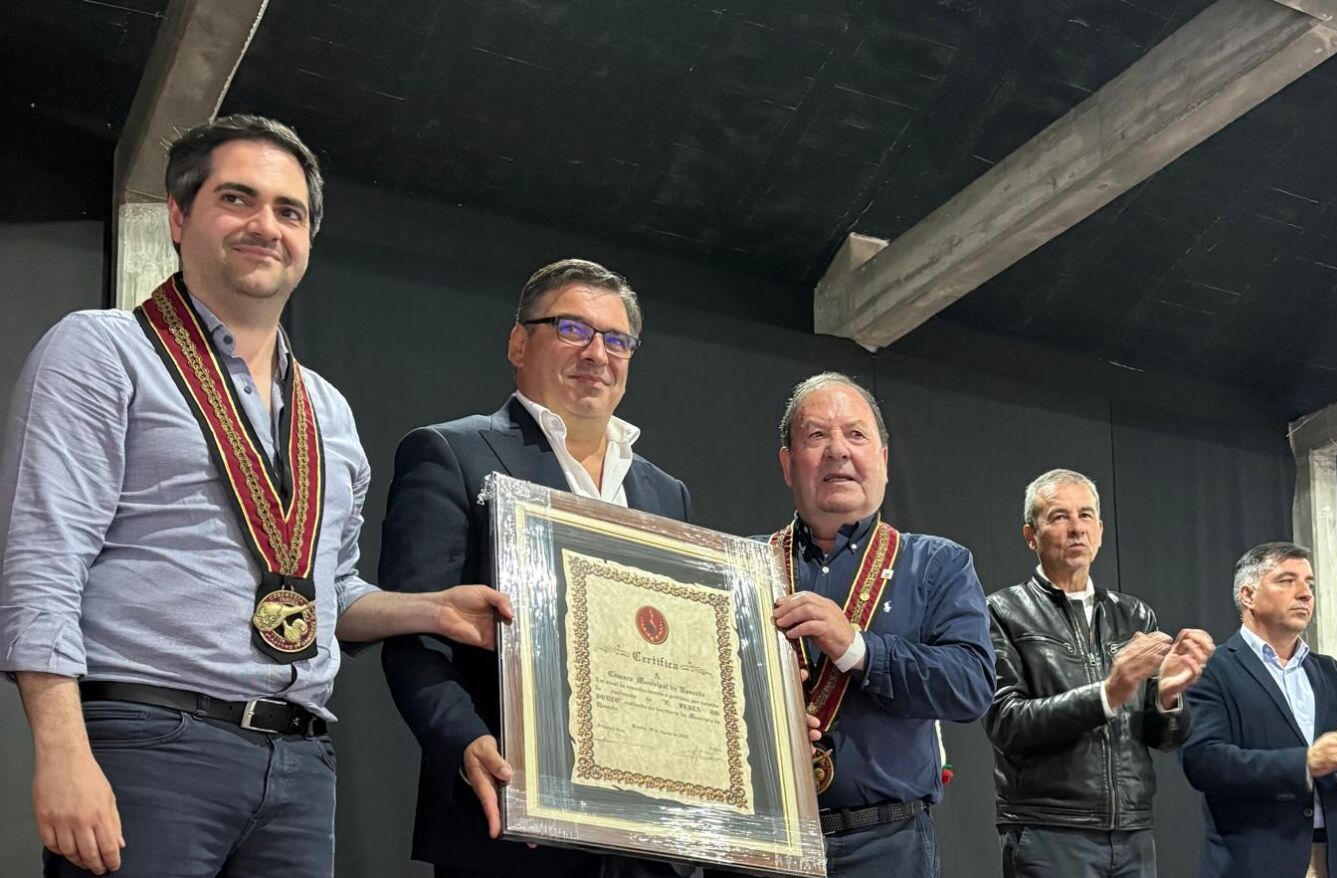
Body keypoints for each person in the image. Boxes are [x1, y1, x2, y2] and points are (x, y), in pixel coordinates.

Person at [0, 115, 512, 878]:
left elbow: (327, 591)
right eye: (237, 199)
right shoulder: (102, 350)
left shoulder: (328, 413)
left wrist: (431, 610)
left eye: (289, 210)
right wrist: (62, 751)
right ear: (179, 216)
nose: (265, 226)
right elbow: (41, 558)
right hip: (150, 740)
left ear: (308, 238)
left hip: (299, 762)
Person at [377, 259, 693, 877]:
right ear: (520, 342)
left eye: (617, 339)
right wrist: (462, 739)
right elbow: (414, 632)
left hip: (647, 839)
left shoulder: (666, 493)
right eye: (572, 329)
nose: (597, 353)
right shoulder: (452, 454)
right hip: (513, 822)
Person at [712, 372, 994, 878]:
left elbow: (970, 686)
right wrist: (757, 724)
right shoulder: (740, 566)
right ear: (786, 463)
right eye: (816, 435)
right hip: (761, 840)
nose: (838, 451)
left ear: (883, 459)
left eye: (856, 435)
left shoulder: (936, 564)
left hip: (888, 847)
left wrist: (858, 648)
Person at [984, 468, 1213, 877]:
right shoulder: (1002, 611)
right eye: (1059, 517)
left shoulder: (1134, 614)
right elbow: (1006, 723)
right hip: (1050, 829)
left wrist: (1167, 698)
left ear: (1101, 531)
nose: (1076, 529)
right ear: (1030, 536)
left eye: (1086, 516)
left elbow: (1166, 739)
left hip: (1132, 831)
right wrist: (1109, 691)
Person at [1180, 541, 1337, 878]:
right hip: (1256, 862)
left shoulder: (1333, 673)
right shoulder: (1212, 669)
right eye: (1287, 580)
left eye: (1308, 583)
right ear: (1247, 595)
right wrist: (1306, 763)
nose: (1305, 593)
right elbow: (1205, 762)